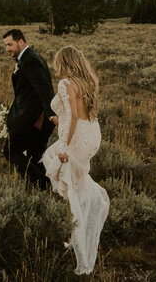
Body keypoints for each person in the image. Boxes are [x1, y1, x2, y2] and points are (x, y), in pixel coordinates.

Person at [41, 45, 109, 275]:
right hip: (90, 134)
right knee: (75, 185)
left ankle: (79, 241)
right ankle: (75, 234)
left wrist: (63, 147)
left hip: (75, 138)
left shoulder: (65, 83)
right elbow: (79, 115)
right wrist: (59, 122)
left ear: (63, 62)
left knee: (70, 187)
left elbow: (70, 118)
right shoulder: (86, 82)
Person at [2, 29, 56, 190]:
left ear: (21, 42)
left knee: (10, 150)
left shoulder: (30, 60)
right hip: (36, 117)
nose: (7, 49)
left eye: (10, 44)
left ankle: (42, 184)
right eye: (5, 46)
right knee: (34, 155)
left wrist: (52, 115)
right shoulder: (29, 57)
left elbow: (44, 90)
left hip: (34, 119)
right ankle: (44, 188)